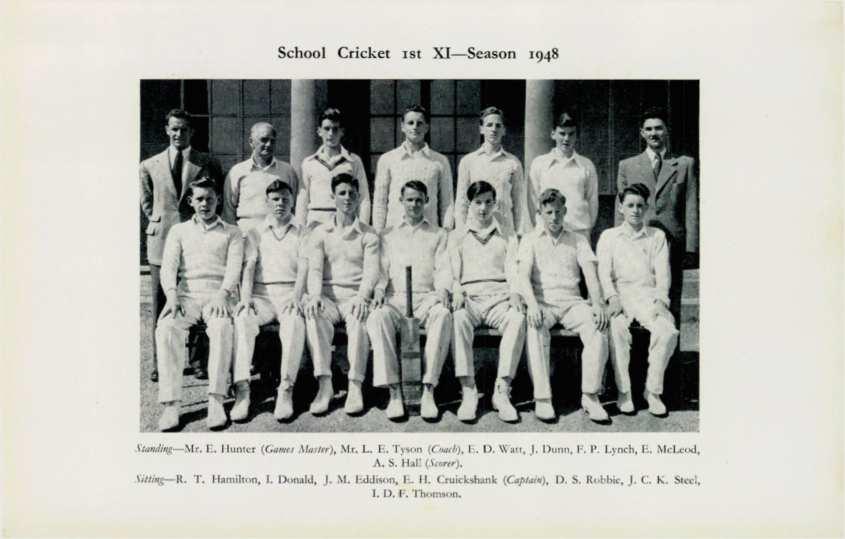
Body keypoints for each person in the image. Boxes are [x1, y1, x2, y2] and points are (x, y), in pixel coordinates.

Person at [154, 177, 244, 431]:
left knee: (222, 328)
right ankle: (171, 404)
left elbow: (234, 268)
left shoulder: (232, 232)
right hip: (187, 296)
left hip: (218, 296)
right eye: (200, 199)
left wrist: (223, 293)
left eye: (210, 199)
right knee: (166, 328)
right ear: (191, 201)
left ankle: (216, 400)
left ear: (218, 200)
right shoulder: (179, 231)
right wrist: (172, 294)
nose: (205, 204)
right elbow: (168, 267)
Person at [140, 108, 223, 383]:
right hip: (161, 240)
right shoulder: (149, 165)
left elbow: (213, 195)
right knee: (162, 303)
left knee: (196, 295)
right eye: (174, 128)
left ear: (192, 132)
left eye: (184, 129)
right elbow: (147, 202)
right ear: (167, 130)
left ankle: (198, 361)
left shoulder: (206, 162)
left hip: (196, 240)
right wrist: (160, 220)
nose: (178, 134)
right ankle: (160, 363)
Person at [518, 189, 610, 422]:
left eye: (558, 212)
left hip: (572, 303)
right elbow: (522, 277)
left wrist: (598, 303)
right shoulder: (529, 239)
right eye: (549, 212)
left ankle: (590, 395)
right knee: (534, 326)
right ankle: (542, 398)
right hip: (543, 303)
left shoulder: (578, 239)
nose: (554, 217)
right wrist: (532, 305)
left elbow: (590, 274)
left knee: (598, 326)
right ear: (540, 213)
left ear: (565, 211)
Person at [367, 180, 453, 420]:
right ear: (401, 201)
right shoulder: (387, 234)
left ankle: (428, 389)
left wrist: (443, 289)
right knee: (377, 317)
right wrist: (379, 289)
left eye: (418, 200)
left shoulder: (438, 234)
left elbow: (443, 268)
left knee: (443, 315)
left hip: (426, 299)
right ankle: (394, 391)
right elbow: (381, 269)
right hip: (396, 299)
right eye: (409, 200)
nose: (414, 204)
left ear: (427, 201)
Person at [597, 183, 679, 416]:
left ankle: (652, 392)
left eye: (640, 206)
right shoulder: (609, 236)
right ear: (621, 207)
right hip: (621, 296)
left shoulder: (657, 236)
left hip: (648, 297)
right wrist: (612, 297)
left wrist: (661, 301)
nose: (635, 210)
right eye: (630, 205)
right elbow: (604, 273)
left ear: (646, 208)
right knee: (616, 329)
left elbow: (663, 274)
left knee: (667, 331)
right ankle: (624, 392)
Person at [449, 180, 525, 423]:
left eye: (488, 202)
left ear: (495, 204)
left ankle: (502, 390)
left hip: (499, 298)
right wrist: (456, 289)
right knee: (458, 317)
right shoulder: (457, 236)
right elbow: (452, 273)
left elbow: (513, 269)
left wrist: (515, 292)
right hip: (470, 297)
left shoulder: (507, 235)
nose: (483, 208)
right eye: (478, 202)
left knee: (517, 318)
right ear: (469, 204)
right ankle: (468, 389)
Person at [304, 173, 380, 416]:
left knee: (359, 319)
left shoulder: (369, 234)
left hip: (354, 298)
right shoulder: (320, 232)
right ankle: (324, 385)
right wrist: (315, 295)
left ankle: (355, 386)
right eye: (342, 193)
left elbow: (371, 272)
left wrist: (362, 296)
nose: (347, 198)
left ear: (358, 198)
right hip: (328, 297)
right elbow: (315, 269)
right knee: (313, 314)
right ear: (333, 197)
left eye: (352, 194)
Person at [232, 180, 308, 422]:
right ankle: (242, 389)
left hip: (290, 295)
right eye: (275, 199)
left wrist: (297, 297)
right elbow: (248, 268)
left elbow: (304, 269)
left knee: (294, 322)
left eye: (285, 199)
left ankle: (286, 388)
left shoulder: (303, 231)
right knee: (243, 318)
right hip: (261, 296)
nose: (280, 204)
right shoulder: (255, 232)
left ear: (292, 201)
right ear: (267, 202)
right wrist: (245, 298)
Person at [617, 107, 698, 321]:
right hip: (638, 240)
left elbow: (691, 206)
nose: (654, 133)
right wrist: (618, 242)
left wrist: (691, 247)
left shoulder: (684, 164)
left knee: (671, 296)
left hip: (673, 242)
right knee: (637, 294)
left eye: (659, 128)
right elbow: (621, 207)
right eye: (649, 129)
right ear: (642, 133)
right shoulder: (627, 166)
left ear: (667, 131)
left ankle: (672, 341)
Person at [372, 105, 454, 232]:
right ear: (402, 127)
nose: (415, 127)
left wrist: (447, 232)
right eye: (410, 123)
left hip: (429, 234)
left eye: (419, 123)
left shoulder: (440, 161)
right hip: (394, 234)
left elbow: (447, 203)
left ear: (426, 127)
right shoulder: (387, 159)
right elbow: (380, 202)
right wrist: (378, 232)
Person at [455, 107, 531, 235]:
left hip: (505, 231)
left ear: (504, 130)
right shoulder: (468, 161)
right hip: (475, 231)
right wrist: (460, 232)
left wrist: (520, 233)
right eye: (489, 125)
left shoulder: (513, 162)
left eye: (498, 125)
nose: (494, 129)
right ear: (481, 129)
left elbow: (519, 203)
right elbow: (462, 201)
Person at [528, 111, 599, 241]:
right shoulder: (539, 164)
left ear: (576, 136)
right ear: (553, 134)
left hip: (578, 231)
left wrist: (586, 228)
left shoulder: (586, 165)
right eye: (562, 133)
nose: (566, 139)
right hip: (547, 232)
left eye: (571, 134)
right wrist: (540, 227)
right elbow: (533, 201)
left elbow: (592, 202)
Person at [296, 108, 371, 228]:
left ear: (342, 132)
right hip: (316, 222)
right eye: (326, 129)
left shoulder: (353, 161)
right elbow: (302, 199)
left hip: (345, 222)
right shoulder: (309, 163)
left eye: (335, 129)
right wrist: (301, 227)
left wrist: (362, 226)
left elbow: (364, 198)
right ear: (319, 131)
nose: (331, 134)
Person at [222, 121, 299, 232]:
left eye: (272, 141)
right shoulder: (237, 171)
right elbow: (228, 210)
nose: (268, 144)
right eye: (264, 140)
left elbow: (294, 207)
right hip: (246, 231)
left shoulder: (287, 171)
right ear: (251, 142)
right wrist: (235, 234)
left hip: (278, 232)